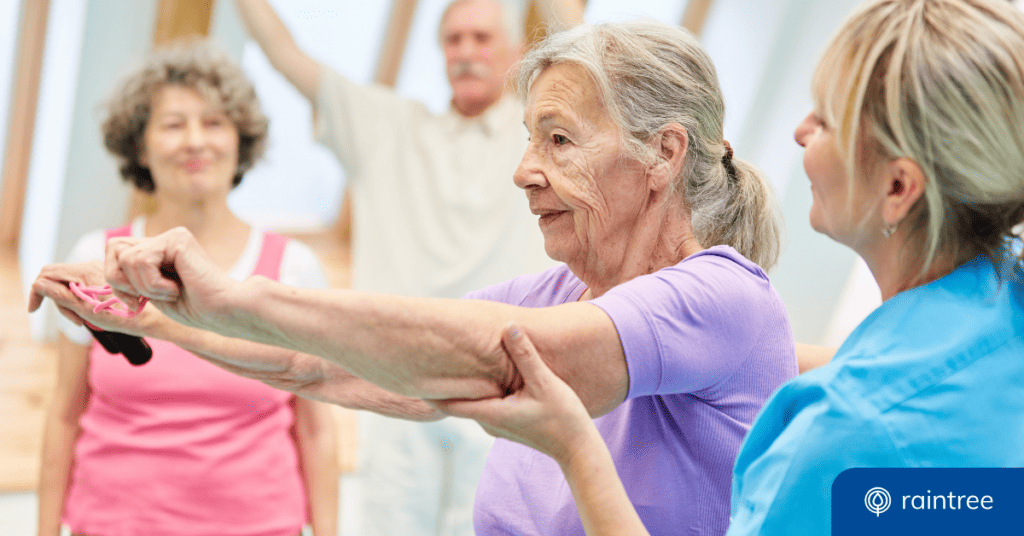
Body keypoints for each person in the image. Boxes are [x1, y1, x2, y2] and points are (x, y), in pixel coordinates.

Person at [31, 20, 796, 536]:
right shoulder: (560, 293)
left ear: (664, 153)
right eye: (530, 140)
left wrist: (229, 295)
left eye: (558, 140)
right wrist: (160, 323)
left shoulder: (722, 296)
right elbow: (318, 366)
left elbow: (495, 357)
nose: (525, 171)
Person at [438, 0, 1024, 534]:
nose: (800, 133)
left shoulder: (846, 432)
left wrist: (572, 444)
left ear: (898, 188)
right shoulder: (997, 314)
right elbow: (985, 496)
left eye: (825, 120)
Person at [231, 1, 584, 534]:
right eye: (453, 40)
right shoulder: (386, 127)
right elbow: (284, 54)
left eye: (481, 39)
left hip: (509, 389)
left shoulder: (545, 138)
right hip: (398, 389)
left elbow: (589, 56)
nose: (465, 52)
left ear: (516, 52)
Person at [35, 42, 338, 536]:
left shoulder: (295, 269)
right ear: (140, 146)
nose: (196, 141)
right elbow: (64, 416)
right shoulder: (96, 258)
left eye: (215, 123)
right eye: (174, 124)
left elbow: (316, 430)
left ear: (241, 140)